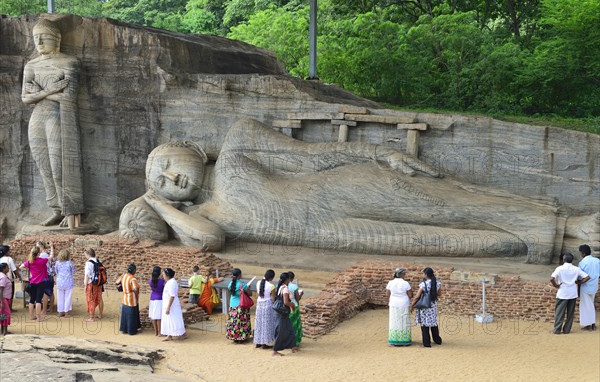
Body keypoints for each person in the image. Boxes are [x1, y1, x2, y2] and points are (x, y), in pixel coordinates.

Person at [119, 118, 585, 264]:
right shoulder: (207, 218)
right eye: (161, 183)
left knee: (449, 206)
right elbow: (207, 243)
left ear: (188, 149)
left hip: (345, 190)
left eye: (166, 166)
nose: (172, 179)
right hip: (334, 231)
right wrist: (156, 203)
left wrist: (381, 155)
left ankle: (568, 224)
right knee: (458, 241)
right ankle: (555, 244)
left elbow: (316, 156)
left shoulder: (239, 145)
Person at [21, 18, 84, 229]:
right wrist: (50, 90)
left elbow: (69, 97)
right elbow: (25, 98)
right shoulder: (31, 65)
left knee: (59, 165)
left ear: (56, 39)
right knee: (44, 167)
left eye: (43, 37)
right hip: (38, 118)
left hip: (59, 117)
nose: (38, 41)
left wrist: (37, 92)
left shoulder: (69, 62)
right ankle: (55, 209)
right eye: (35, 37)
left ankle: (69, 208)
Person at [550, 252, 590, 334]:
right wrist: (579, 283)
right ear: (572, 260)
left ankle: (557, 329)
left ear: (563, 260)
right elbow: (587, 277)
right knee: (570, 313)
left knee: (559, 312)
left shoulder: (560, 268)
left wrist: (556, 285)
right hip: (572, 293)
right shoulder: (576, 269)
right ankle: (567, 330)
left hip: (562, 293)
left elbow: (551, 278)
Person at [411, 267, 442, 347]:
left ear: (426, 274)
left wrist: (412, 305)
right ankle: (437, 340)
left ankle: (427, 342)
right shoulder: (437, 283)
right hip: (433, 305)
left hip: (425, 305)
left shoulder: (423, 284)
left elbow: (417, 296)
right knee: (433, 322)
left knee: (424, 323)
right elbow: (439, 294)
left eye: (423, 273)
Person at [19, 246, 49, 322]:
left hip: (32, 281)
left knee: (32, 299)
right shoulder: (42, 260)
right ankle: (39, 318)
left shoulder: (29, 261)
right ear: (39, 253)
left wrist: (29, 269)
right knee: (38, 300)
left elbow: (21, 267)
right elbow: (51, 257)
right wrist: (51, 248)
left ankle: (31, 316)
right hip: (41, 282)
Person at [272, 272, 298, 356]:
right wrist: (292, 305)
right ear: (287, 279)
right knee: (281, 331)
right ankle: (275, 350)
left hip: (280, 311)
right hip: (283, 312)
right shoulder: (285, 289)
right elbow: (286, 302)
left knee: (290, 329)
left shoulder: (279, 287)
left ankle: (293, 346)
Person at [386, 268, 413, 346]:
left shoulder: (390, 282)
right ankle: (405, 340)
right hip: (404, 303)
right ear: (401, 275)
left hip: (394, 303)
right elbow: (410, 295)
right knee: (404, 321)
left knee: (394, 320)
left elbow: (387, 294)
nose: (405, 275)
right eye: (404, 274)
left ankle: (394, 340)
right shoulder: (405, 283)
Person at [225, 268, 252, 343]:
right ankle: (241, 338)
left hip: (232, 304)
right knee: (242, 322)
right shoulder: (242, 284)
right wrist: (247, 288)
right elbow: (250, 293)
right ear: (239, 275)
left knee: (233, 322)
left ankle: (234, 337)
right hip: (241, 305)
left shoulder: (230, 284)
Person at [161, 268, 187, 341]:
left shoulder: (171, 283)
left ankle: (183, 334)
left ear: (167, 275)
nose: (163, 276)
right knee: (169, 319)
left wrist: (168, 307)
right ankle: (169, 335)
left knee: (175, 319)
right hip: (168, 303)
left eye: (164, 274)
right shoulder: (170, 282)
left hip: (171, 305)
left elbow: (172, 295)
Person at [253, 269, 277, 349]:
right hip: (267, 305)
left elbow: (258, 294)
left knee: (259, 323)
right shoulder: (271, 286)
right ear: (272, 277)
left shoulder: (258, 283)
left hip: (259, 304)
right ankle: (264, 343)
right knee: (266, 324)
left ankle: (258, 342)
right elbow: (273, 299)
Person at [578, 244, 599, 331]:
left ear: (583, 253)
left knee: (585, 306)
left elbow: (580, 276)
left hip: (585, 286)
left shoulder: (582, 262)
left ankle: (589, 325)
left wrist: (578, 285)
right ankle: (593, 323)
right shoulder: (597, 260)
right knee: (591, 304)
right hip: (594, 286)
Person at [119, 264, 141, 335]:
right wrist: (137, 293)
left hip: (125, 298)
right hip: (132, 299)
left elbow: (117, 282)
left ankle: (124, 329)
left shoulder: (125, 276)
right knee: (132, 315)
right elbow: (135, 288)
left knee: (125, 315)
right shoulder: (132, 278)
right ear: (134, 270)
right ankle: (131, 330)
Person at [0, 245, 23, 311]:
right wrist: (19, 277)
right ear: (6, 252)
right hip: (9, 279)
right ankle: (9, 308)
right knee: (10, 293)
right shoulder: (9, 259)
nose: (10, 252)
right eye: (9, 251)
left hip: (1, 278)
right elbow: (14, 269)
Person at [54, 249, 76, 317]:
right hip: (68, 281)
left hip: (60, 281)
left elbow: (56, 271)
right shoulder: (69, 263)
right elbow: (73, 272)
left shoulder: (57, 263)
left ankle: (60, 312)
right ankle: (66, 312)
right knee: (67, 297)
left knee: (60, 297)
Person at [83, 248, 103, 322]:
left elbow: (87, 275)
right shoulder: (98, 261)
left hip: (91, 283)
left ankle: (91, 317)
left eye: (85, 254)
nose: (84, 255)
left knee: (91, 299)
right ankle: (100, 314)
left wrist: (85, 285)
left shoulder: (88, 263)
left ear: (88, 254)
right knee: (99, 298)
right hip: (99, 282)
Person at [287, 271, 304, 346]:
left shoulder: (282, 286)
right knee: (295, 324)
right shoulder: (294, 287)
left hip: (286, 307)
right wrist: (301, 294)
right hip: (294, 306)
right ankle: (295, 341)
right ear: (292, 278)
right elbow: (298, 298)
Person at [148, 266, 165, 336]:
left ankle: (156, 332)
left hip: (152, 299)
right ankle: (160, 332)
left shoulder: (150, 281)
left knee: (153, 316)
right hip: (159, 299)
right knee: (158, 317)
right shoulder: (162, 281)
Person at [0, 263, 12, 335]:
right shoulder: (3, 277)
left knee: (2, 314)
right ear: (4, 268)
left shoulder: (2, 276)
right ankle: (5, 331)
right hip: (3, 298)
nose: (8, 268)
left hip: (4, 298)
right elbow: (1, 290)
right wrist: (2, 302)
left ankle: (2, 330)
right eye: (7, 267)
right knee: (6, 314)